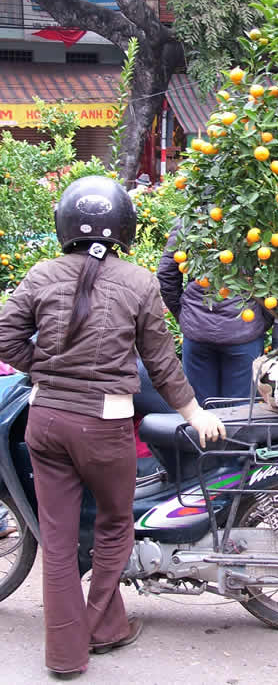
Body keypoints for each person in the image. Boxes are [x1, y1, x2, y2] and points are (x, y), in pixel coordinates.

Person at [0, 177, 225, 679]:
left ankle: (65, 654)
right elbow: (162, 363)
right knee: (115, 526)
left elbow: (5, 337)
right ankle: (100, 626)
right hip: (105, 426)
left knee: (57, 541)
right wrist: (195, 413)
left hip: (47, 421)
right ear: (125, 225)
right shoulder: (140, 282)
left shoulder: (41, 274)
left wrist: (41, 368)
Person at [158, 225, 271, 406]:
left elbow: (166, 275)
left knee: (202, 410)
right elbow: (273, 274)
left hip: (199, 331)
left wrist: (185, 315)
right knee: (240, 413)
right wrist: (263, 318)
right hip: (242, 330)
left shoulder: (188, 224)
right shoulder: (252, 221)